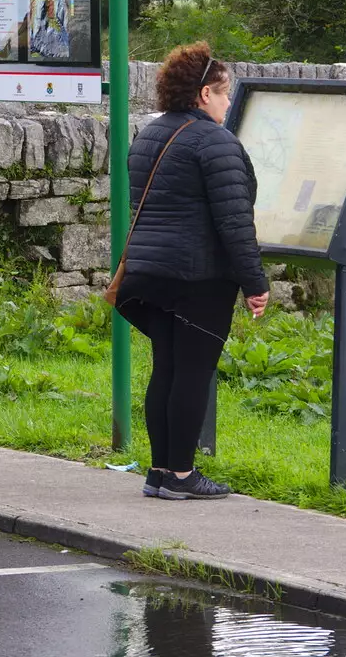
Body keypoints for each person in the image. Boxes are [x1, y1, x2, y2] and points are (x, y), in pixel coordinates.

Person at [116, 42, 269, 500]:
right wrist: (254, 282)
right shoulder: (216, 141)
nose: (227, 103)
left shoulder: (149, 134)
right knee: (193, 371)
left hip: (149, 273)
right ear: (204, 94)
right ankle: (181, 475)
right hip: (197, 277)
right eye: (224, 94)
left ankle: (159, 471)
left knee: (167, 367)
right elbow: (234, 221)